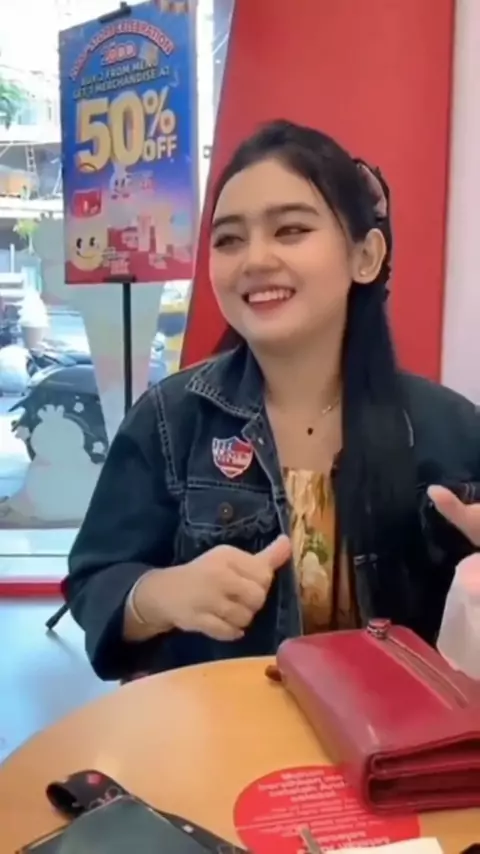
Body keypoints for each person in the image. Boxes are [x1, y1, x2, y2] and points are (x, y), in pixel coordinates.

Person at [66, 120, 480, 682]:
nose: (255, 260)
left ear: (365, 256)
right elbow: (94, 582)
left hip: (401, 737)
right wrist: (160, 595)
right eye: (229, 239)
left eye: (290, 230)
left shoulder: (452, 430)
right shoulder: (170, 420)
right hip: (221, 732)